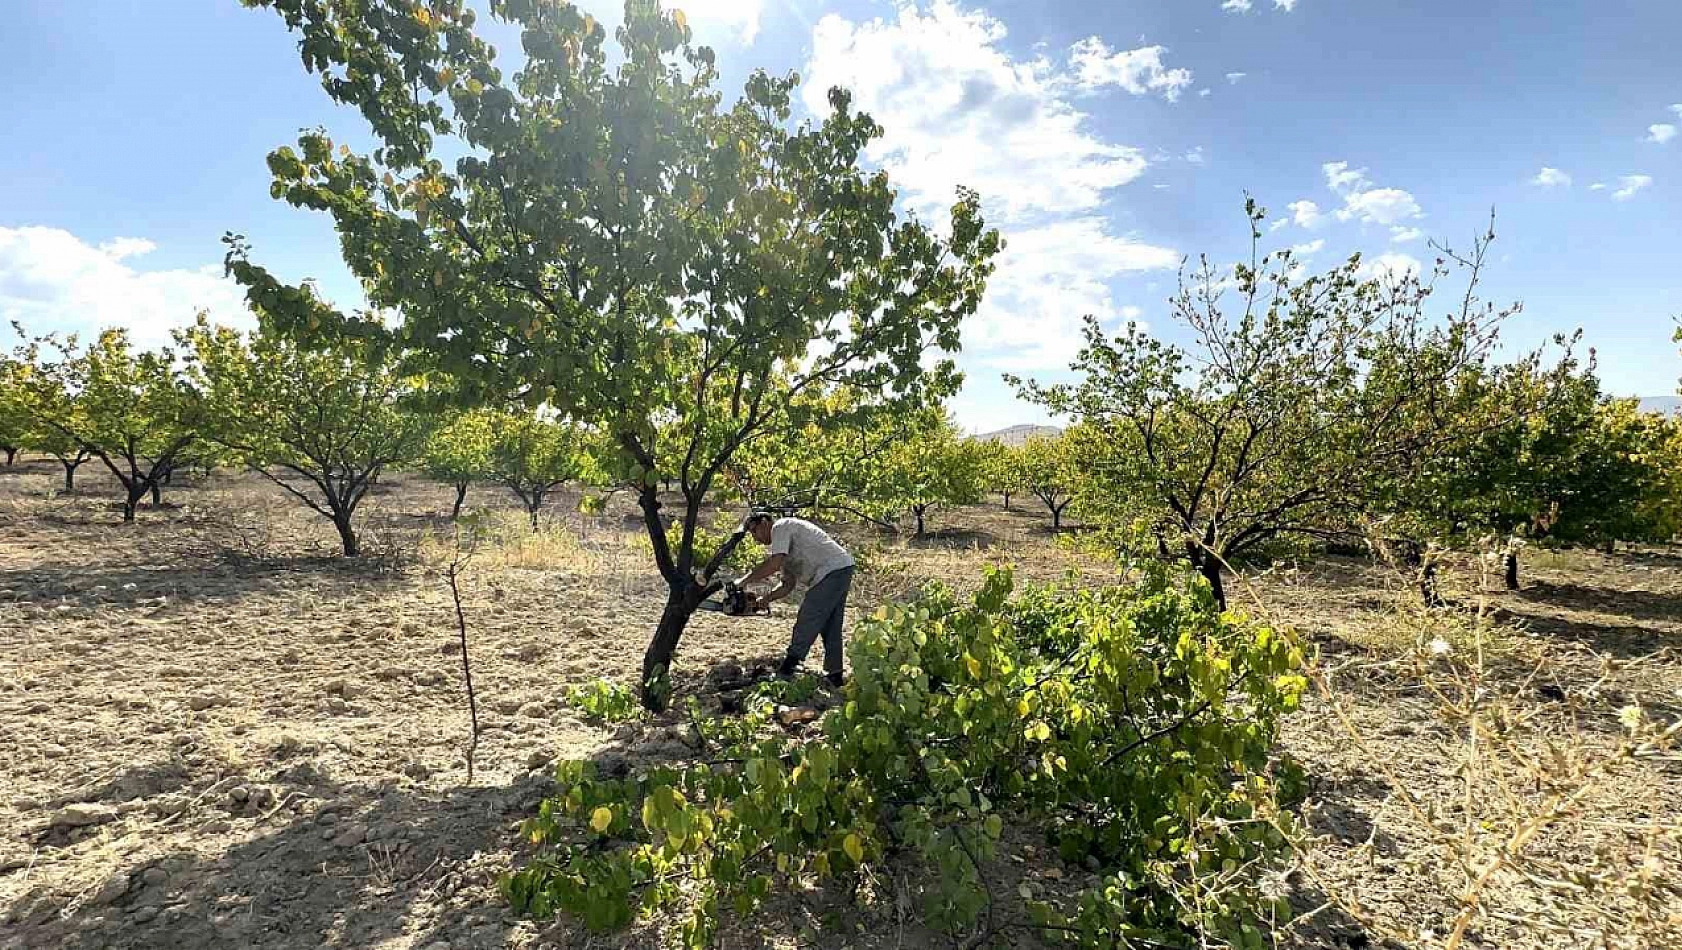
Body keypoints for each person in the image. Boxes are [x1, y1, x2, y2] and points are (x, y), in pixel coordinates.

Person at [738, 512, 855, 686]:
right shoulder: (783, 547)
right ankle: (835, 675)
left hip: (831, 570)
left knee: (808, 616)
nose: (755, 538)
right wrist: (766, 599)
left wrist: (743, 581)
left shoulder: (781, 527)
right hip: (841, 568)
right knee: (831, 625)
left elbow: (773, 564)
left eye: (754, 531)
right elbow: (787, 584)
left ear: (764, 522)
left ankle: (789, 666)